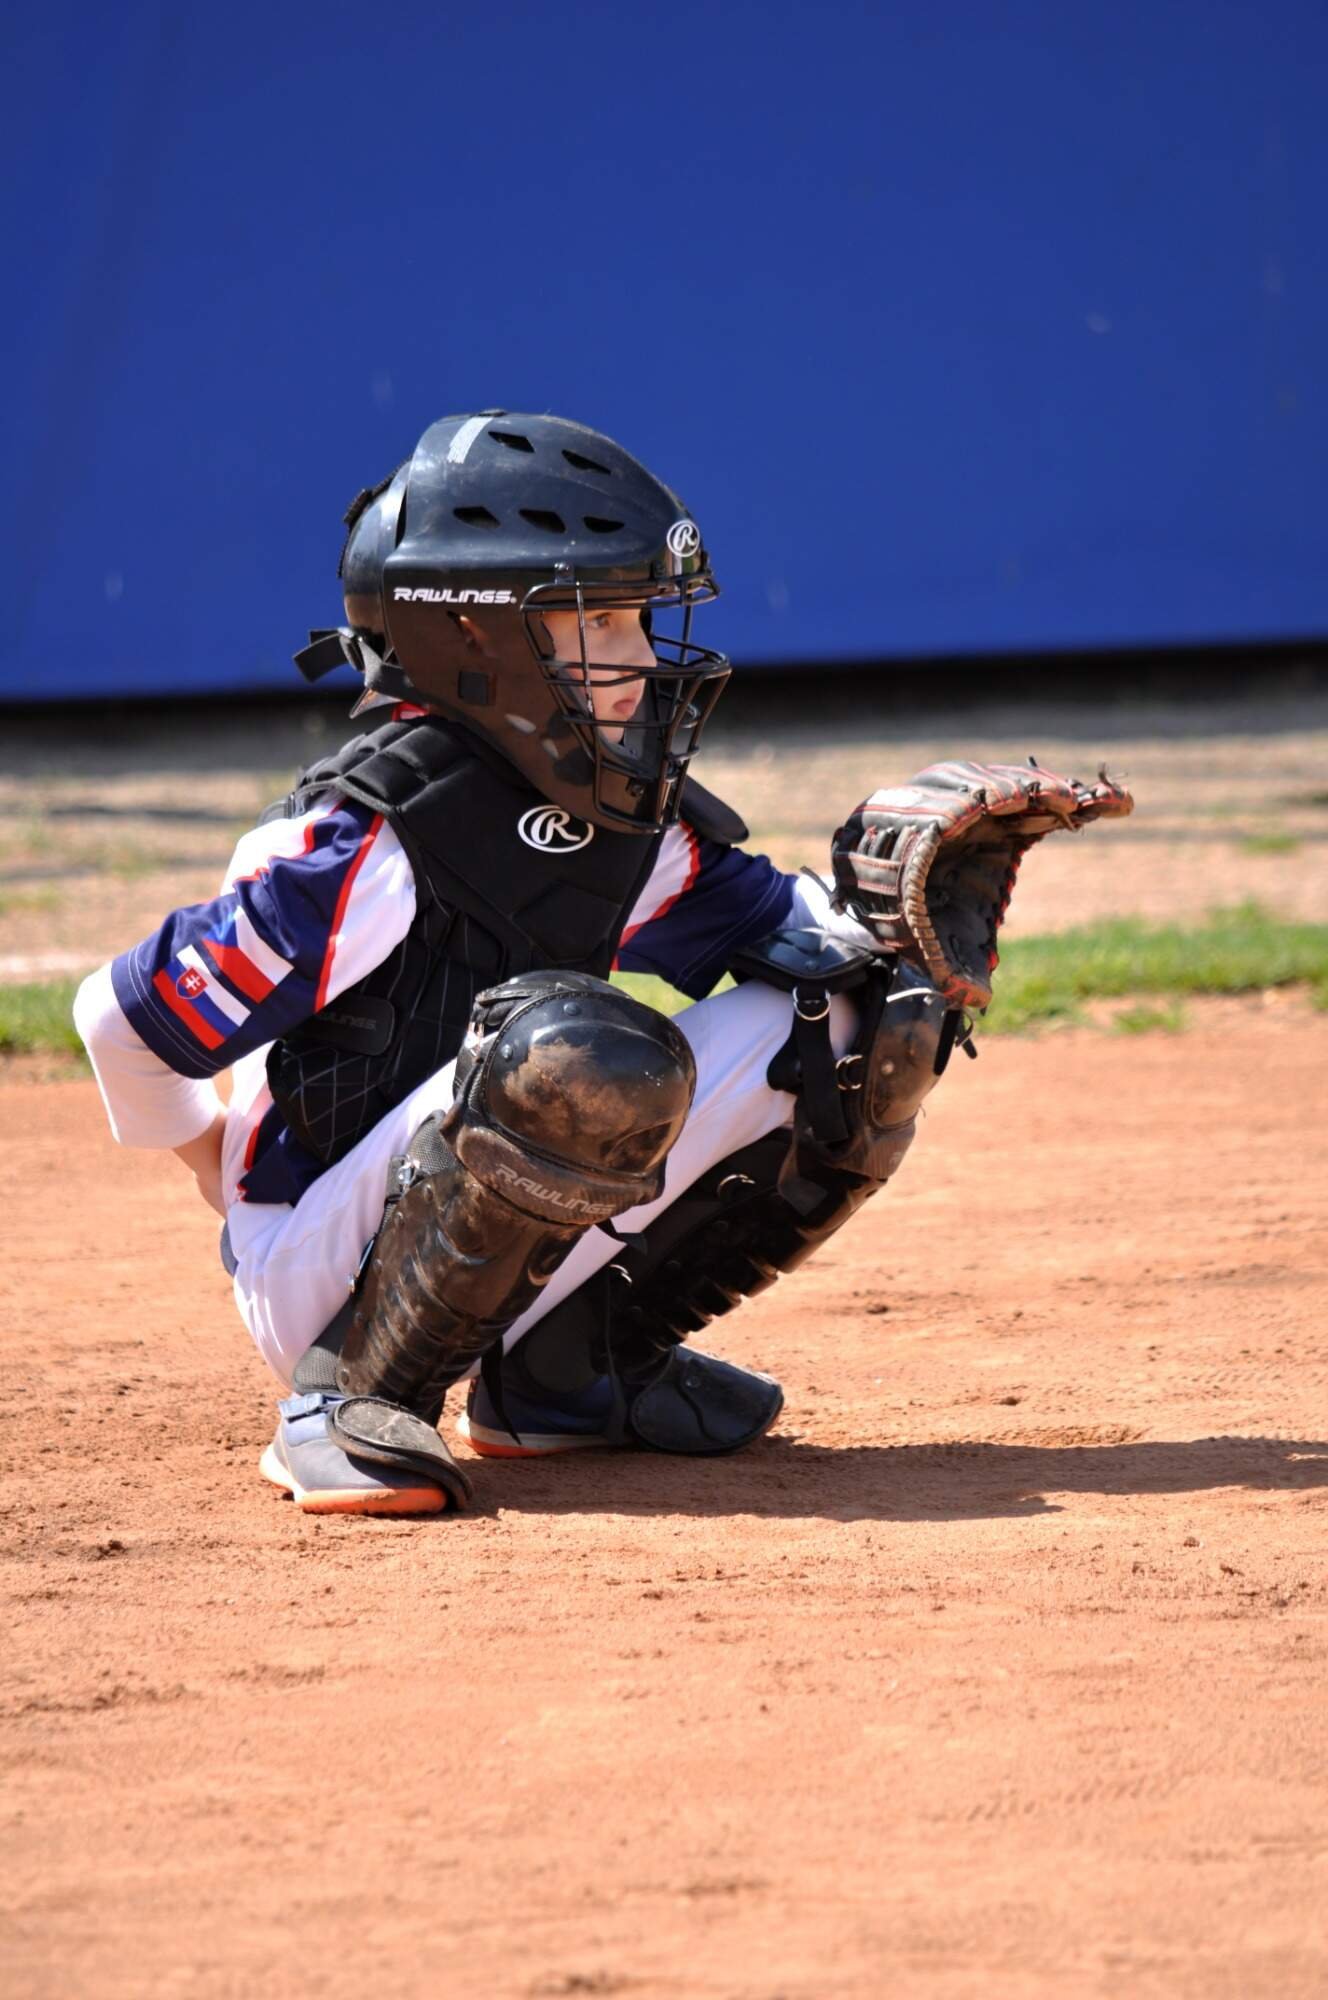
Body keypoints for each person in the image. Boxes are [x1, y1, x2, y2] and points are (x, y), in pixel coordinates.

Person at [75, 409, 1122, 1517]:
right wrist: (211, 1167)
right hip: (316, 1272)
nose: (639, 653)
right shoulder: (368, 838)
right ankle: (344, 1403)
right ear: (475, 633)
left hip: (470, 1206)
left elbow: (801, 944)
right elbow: (120, 1017)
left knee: (864, 1027)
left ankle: (565, 1377)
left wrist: (909, 922)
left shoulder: (613, 811)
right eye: (603, 619)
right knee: (581, 1052)